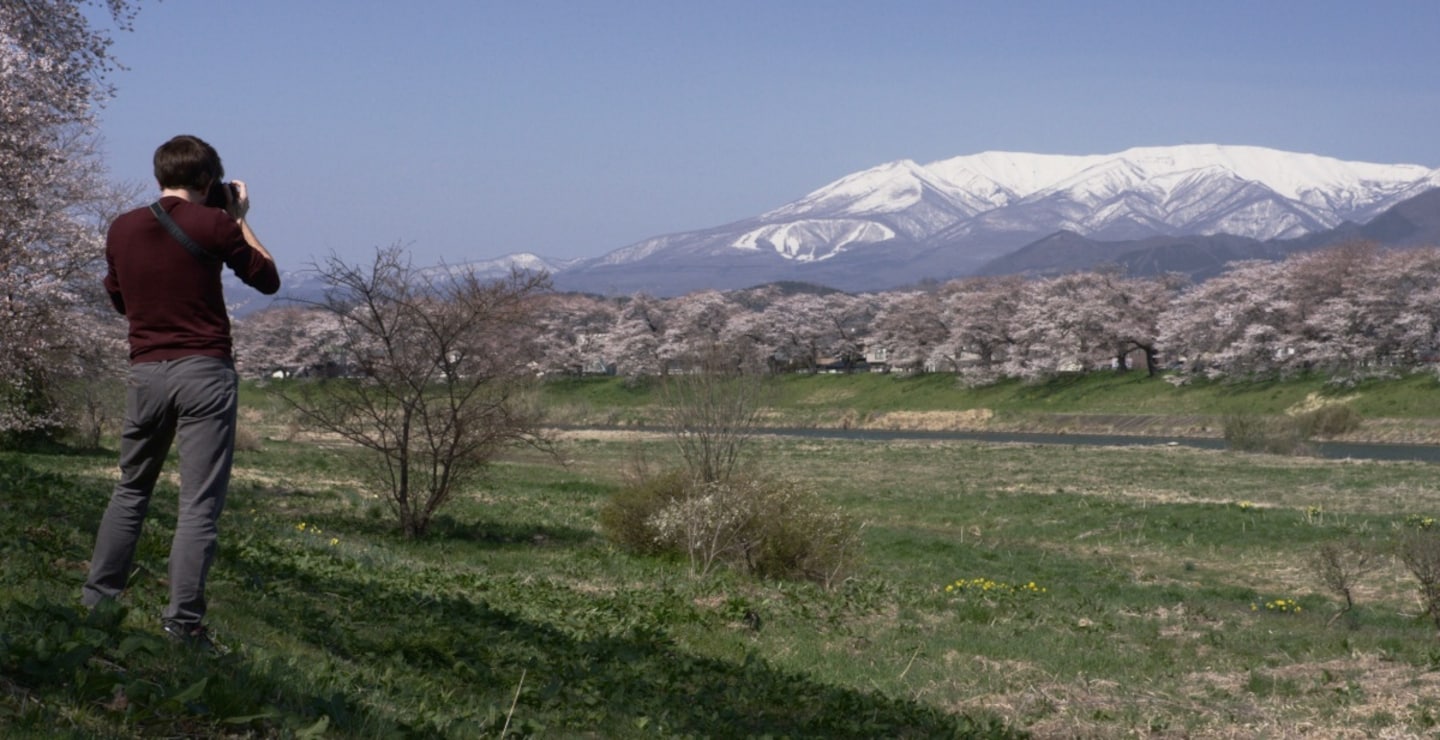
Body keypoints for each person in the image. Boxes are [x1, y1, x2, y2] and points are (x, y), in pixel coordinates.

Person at [82, 134, 280, 649]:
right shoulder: (215, 223)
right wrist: (238, 217)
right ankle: (183, 623)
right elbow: (268, 279)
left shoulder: (122, 227)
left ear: (159, 176)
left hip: (146, 372)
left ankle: (97, 603)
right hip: (204, 373)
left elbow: (120, 301)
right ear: (209, 180)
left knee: (130, 490)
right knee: (197, 506)